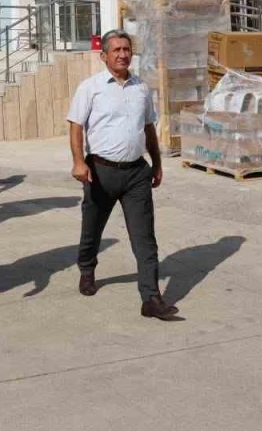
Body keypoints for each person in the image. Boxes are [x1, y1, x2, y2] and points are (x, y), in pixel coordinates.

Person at [66, 30, 178, 320]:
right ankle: (87, 268)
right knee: (92, 228)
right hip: (100, 172)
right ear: (104, 55)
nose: (122, 54)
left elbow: (149, 127)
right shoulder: (90, 88)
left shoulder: (141, 88)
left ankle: (151, 298)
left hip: (136, 174)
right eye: (116, 50)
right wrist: (78, 162)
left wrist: (156, 163)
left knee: (145, 237)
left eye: (126, 49)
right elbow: (76, 125)